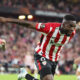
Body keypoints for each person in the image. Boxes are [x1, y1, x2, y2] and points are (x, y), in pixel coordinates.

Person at [0, 14, 76, 80]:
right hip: (42, 55)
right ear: (63, 24)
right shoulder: (50, 28)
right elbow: (29, 24)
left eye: (74, 27)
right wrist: (7, 20)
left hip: (54, 59)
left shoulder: (72, 32)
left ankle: (25, 75)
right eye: (70, 26)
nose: (72, 29)